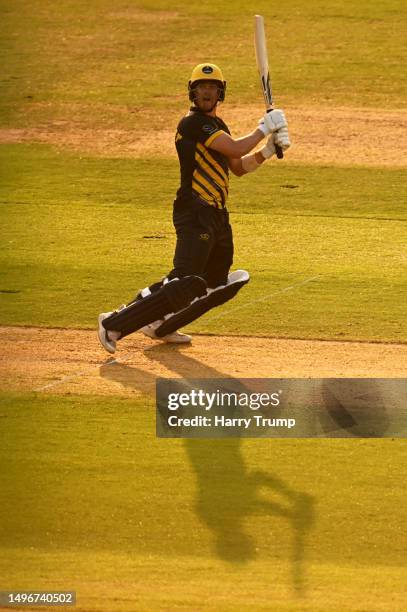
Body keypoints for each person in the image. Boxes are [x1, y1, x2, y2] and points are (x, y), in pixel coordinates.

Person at [98, 63, 290, 354]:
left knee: (214, 283)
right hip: (194, 212)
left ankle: (161, 324)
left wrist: (266, 150)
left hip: (217, 215)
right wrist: (264, 128)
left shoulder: (218, 126)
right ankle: (113, 324)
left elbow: (239, 166)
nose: (206, 93)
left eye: (212, 88)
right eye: (201, 88)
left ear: (220, 92)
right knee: (185, 279)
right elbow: (237, 148)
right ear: (192, 92)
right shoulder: (192, 123)